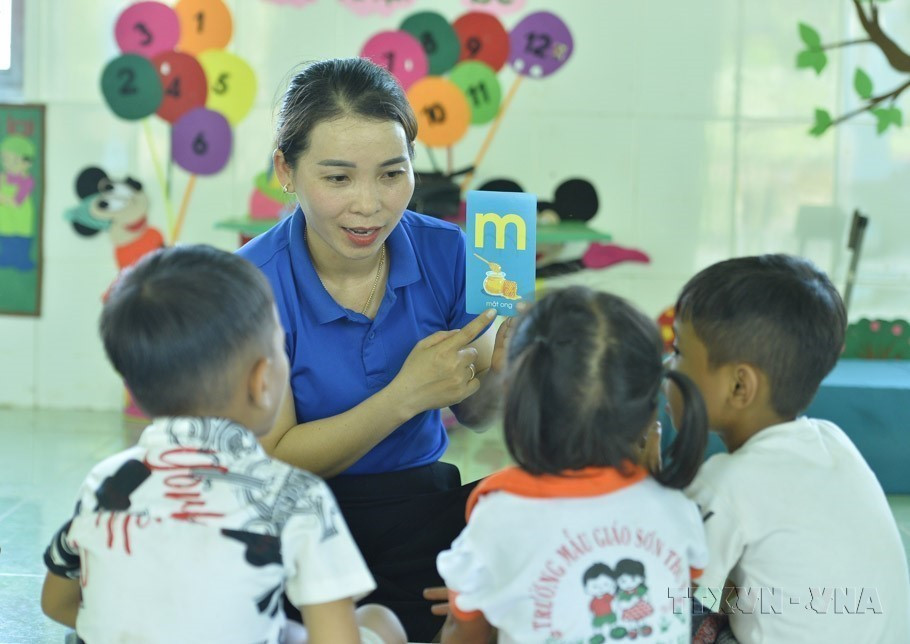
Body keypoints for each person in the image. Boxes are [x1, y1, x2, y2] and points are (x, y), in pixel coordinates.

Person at [237, 57, 509, 640]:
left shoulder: (450, 253)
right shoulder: (249, 284)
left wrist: (502, 374)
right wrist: (404, 396)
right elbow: (273, 462)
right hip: (296, 515)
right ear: (286, 170)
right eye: (338, 178)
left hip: (417, 504)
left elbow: (477, 416)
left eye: (392, 174)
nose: (370, 205)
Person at [40, 245, 406, 644]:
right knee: (378, 620)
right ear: (262, 380)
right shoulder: (296, 496)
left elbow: (56, 604)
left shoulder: (107, 483)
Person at [436, 286, 710, 643]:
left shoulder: (499, 515)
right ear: (647, 412)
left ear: (516, 403)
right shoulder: (677, 506)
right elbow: (677, 597)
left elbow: (464, 634)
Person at [668, 254, 910, 643]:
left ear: (739, 387)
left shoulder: (726, 481)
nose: (668, 365)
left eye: (678, 351)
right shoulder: (835, 441)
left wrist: (645, 487)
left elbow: (672, 594)